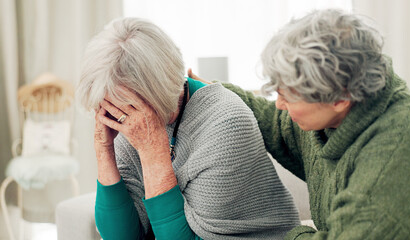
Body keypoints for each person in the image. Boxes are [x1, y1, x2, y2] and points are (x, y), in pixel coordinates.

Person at [189, 9, 410, 240]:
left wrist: (291, 233)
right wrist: (215, 91)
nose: (280, 103)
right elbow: (276, 122)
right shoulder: (333, 116)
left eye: (288, 95)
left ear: (340, 96)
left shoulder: (402, 145)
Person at [76, 18, 300, 240]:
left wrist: (152, 153)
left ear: (153, 94)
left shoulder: (226, 122)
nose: (114, 114)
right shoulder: (129, 117)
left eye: (120, 106)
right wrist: (104, 148)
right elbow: (121, 236)